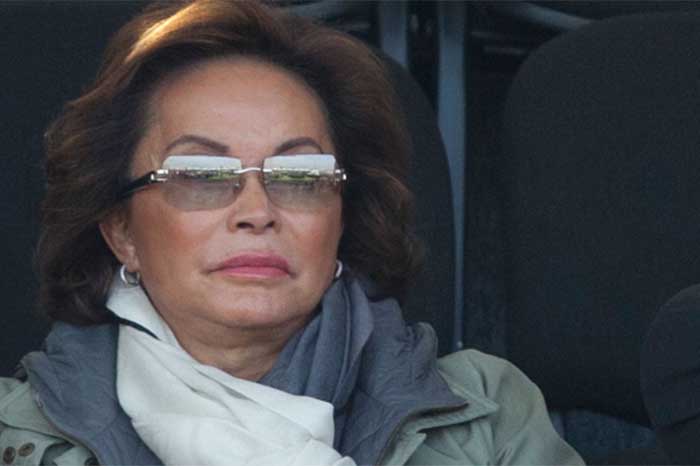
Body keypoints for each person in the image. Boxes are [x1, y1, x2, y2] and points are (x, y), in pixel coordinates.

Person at [0, 1, 583, 465]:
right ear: (121, 231)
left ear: (342, 219)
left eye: (301, 176)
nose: (257, 211)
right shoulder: (13, 433)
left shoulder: (489, 415)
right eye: (201, 174)